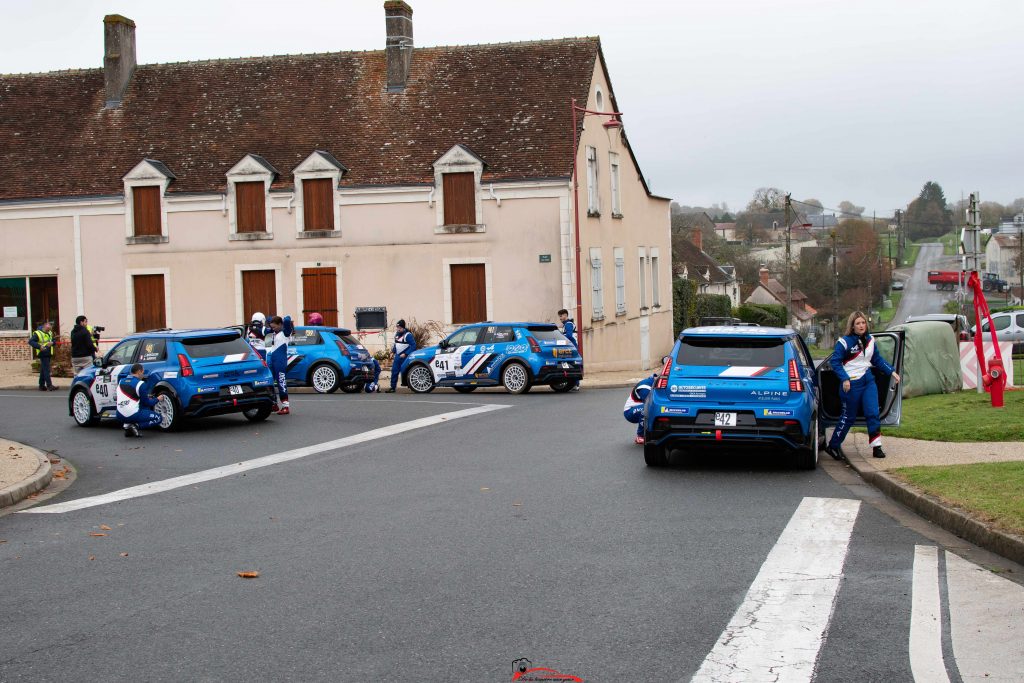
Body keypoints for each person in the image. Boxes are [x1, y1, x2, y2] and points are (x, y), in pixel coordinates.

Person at [825, 310, 901, 460]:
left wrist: (891, 371)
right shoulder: (844, 342)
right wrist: (844, 379)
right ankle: (833, 446)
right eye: (858, 323)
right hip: (851, 384)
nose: (861, 325)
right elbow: (835, 362)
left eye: (863, 322)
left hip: (868, 380)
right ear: (852, 326)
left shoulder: (871, 340)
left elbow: (877, 360)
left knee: (873, 413)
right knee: (848, 417)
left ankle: (876, 447)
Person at [116, 363, 161, 437]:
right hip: (132, 414)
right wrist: (157, 399)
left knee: (137, 405)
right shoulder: (140, 383)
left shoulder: (121, 381)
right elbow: (147, 403)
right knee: (158, 418)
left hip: (119, 415)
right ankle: (135, 426)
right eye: (143, 372)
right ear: (139, 372)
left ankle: (127, 426)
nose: (143, 375)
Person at [623, 362, 662, 445]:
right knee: (648, 408)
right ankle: (640, 436)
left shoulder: (654, 383)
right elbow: (650, 405)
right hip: (630, 412)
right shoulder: (645, 387)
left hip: (638, 407)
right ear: (656, 378)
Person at [264, 314, 294, 414]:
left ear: (280, 324)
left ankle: (285, 406)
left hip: (280, 361)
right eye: (272, 327)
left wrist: (285, 317)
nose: (273, 329)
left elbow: (287, 320)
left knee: (281, 382)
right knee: (269, 382)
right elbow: (265, 328)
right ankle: (274, 404)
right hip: (272, 360)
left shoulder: (286, 332)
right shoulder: (274, 332)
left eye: (274, 327)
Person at [385, 319, 416, 393]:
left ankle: (411, 386)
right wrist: (393, 351)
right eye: (397, 327)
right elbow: (396, 344)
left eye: (399, 328)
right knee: (394, 371)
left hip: (405, 357)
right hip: (398, 356)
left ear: (403, 327)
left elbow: (413, 345)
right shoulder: (396, 334)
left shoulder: (408, 335)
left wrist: (406, 353)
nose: (398, 329)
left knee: (405, 371)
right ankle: (392, 387)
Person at [28, 320, 56, 391]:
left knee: (43, 369)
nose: (51, 326)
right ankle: (49, 385)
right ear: (45, 325)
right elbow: (31, 341)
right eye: (49, 325)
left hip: (49, 352)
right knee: (46, 369)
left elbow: (54, 340)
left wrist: (52, 343)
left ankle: (41, 385)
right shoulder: (38, 333)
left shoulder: (50, 332)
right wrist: (39, 346)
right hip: (42, 353)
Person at [558, 308, 581, 392]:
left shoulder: (568, 324)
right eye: (559, 316)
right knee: (571, 366)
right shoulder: (566, 324)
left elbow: (569, 336)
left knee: (572, 366)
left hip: (572, 347)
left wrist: (559, 339)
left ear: (565, 315)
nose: (560, 318)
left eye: (561, 316)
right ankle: (574, 384)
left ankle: (576, 384)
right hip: (571, 347)